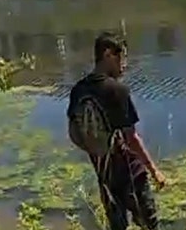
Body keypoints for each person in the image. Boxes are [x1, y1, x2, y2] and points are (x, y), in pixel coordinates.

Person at [67, 32, 166, 230]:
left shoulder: (78, 91)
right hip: (132, 175)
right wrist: (155, 172)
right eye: (122, 57)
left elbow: (74, 134)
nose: (125, 64)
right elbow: (132, 138)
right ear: (108, 55)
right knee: (150, 224)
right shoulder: (117, 91)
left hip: (105, 177)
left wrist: (96, 147)